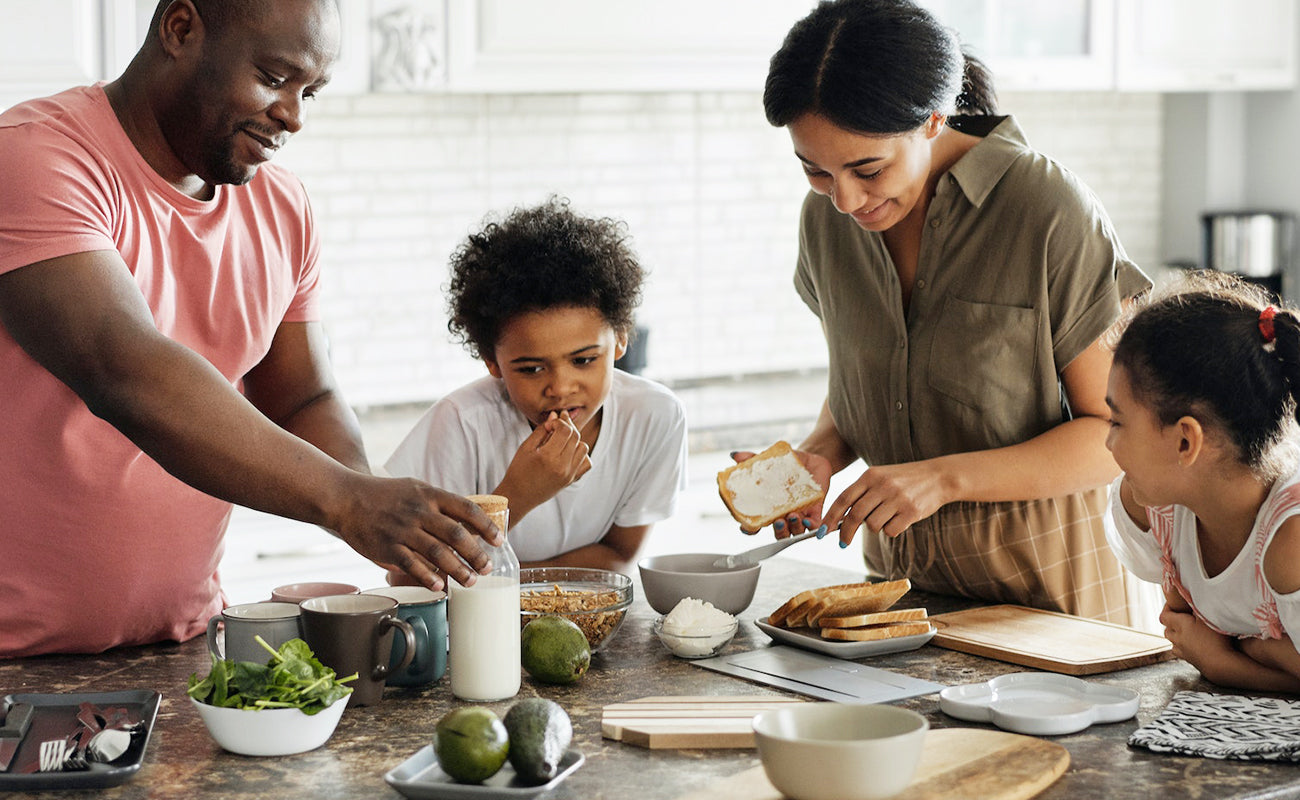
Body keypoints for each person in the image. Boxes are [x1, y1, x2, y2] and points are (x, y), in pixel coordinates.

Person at [0, 0, 499, 659]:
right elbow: (121, 368)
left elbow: (303, 398)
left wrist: (379, 513)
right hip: (14, 664)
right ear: (180, 29)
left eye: (309, 92)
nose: (293, 115)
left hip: (183, 644)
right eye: (273, 77)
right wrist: (347, 502)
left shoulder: (281, 205)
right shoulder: (35, 157)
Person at [754, 0, 1151, 622]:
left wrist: (941, 479)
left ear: (934, 120)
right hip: (899, 604)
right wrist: (820, 456)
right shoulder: (827, 222)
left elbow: (1116, 437)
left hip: (1053, 605)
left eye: (867, 168)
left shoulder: (1043, 207)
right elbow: (876, 382)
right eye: (816, 171)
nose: (845, 199)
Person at [385, 197, 688, 573]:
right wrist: (519, 494)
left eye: (583, 360)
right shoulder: (462, 424)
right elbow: (408, 576)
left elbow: (619, 555)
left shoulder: (654, 416)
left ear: (621, 338)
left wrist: (506, 579)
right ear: (491, 360)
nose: (560, 388)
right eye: (530, 369)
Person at [1104, 271, 1300, 693]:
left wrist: (1221, 661)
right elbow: (1180, 628)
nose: (1107, 442)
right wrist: (1266, 652)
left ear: (1185, 440)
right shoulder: (1155, 506)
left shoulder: (1291, 538)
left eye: (1118, 421)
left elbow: (1198, 646)